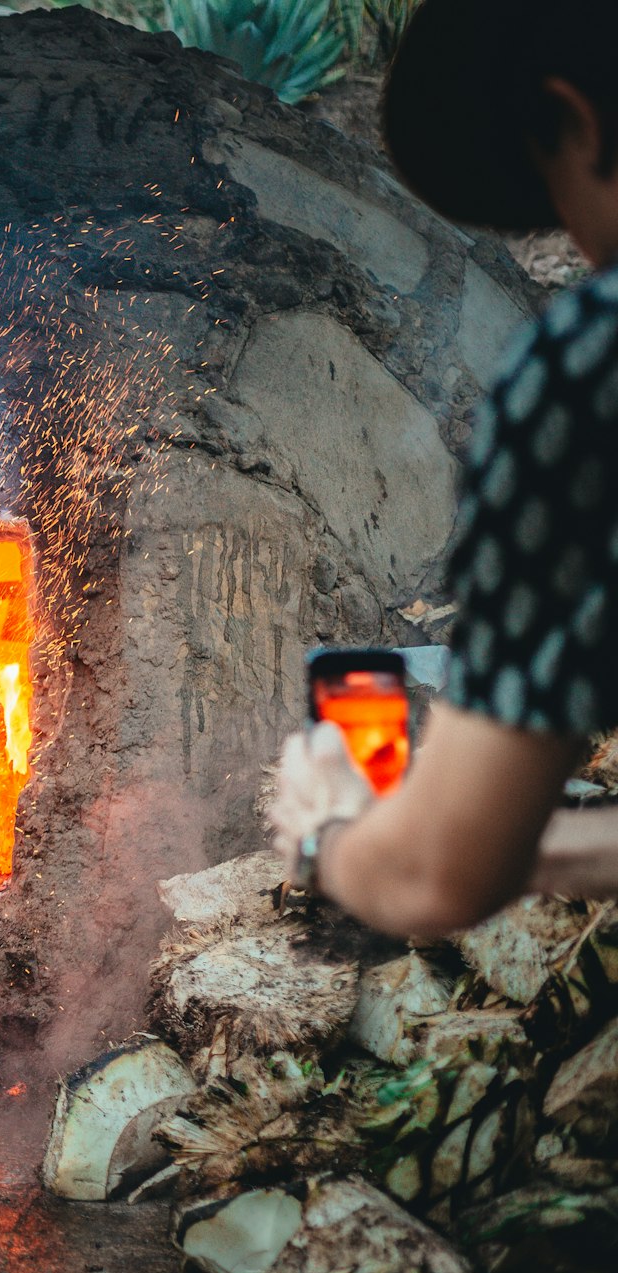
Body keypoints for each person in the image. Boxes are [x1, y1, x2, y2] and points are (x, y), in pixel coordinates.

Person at [269, 0, 618, 937]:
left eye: (551, 188)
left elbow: (429, 885)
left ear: (575, 122)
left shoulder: (586, 375)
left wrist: (330, 835)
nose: (580, 249)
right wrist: (513, 843)